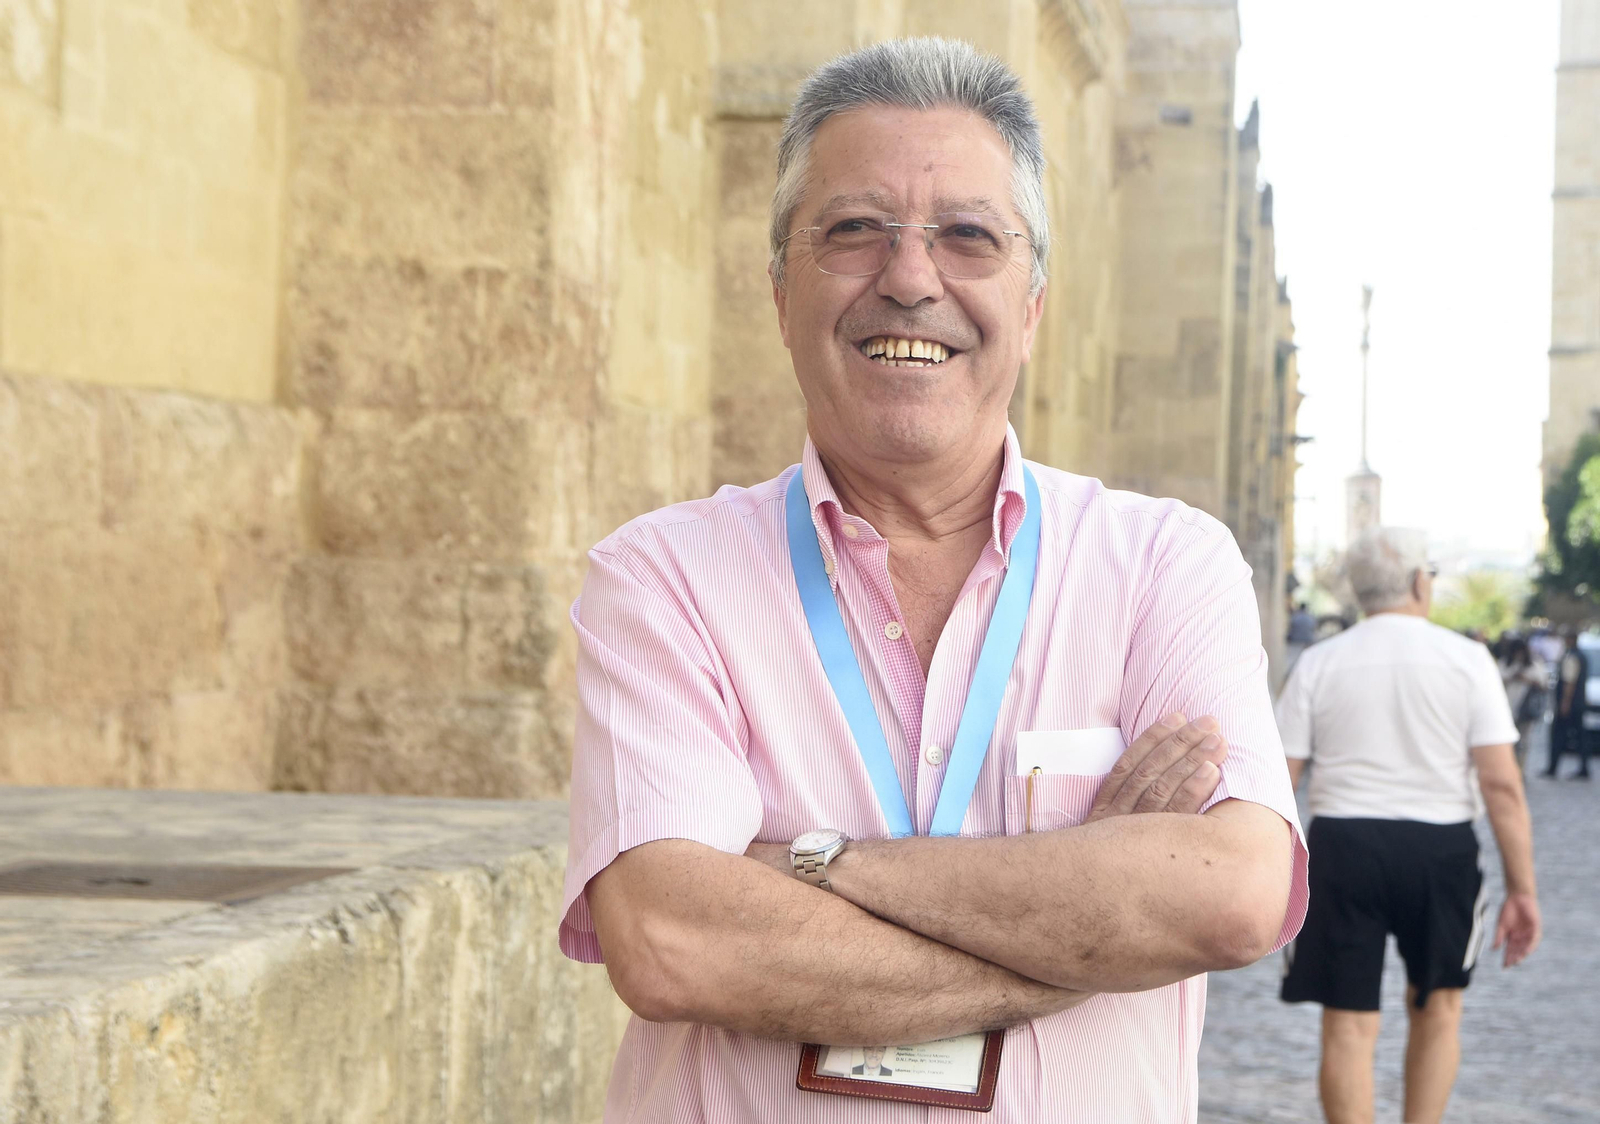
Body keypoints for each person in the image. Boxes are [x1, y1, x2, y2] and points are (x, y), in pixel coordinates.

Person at [557, 38, 1308, 1123]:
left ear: (1034, 302)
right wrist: (1088, 932)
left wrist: (810, 864)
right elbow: (673, 940)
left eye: (967, 235)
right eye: (854, 229)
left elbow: (1234, 889)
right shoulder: (662, 576)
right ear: (779, 292)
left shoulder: (1162, 563)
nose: (910, 279)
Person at [1275, 527, 1542, 1124]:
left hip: (1342, 846)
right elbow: (1501, 786)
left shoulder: (1318, 662)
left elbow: (1279, 780)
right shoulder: (1469, 660)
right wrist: (1522, 890)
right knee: (1440, 1007)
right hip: (1440, 847)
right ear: (1422, 582)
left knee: (1346, 1022)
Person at [1542, 624, 1591, 780]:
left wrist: (1565, 703)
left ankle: (1553, 768)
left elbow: (1570, 682)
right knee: (1580, 736)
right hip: (1577, 703)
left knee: (1559, 735)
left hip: (1570, 704)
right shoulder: (1579, 655)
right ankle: (1582, 768)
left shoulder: (1572, 656)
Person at [1496, 633, 1548, 772]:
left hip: (1526, 708)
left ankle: (1520, 769)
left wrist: (1526, 679)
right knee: (1508, 740)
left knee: (1523, 741)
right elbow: (1497, 681)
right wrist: (1512, 676)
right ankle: (1508, 768)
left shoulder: (1534, 665)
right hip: (1507, 707)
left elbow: (1543, 685)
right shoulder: (1505, 663)